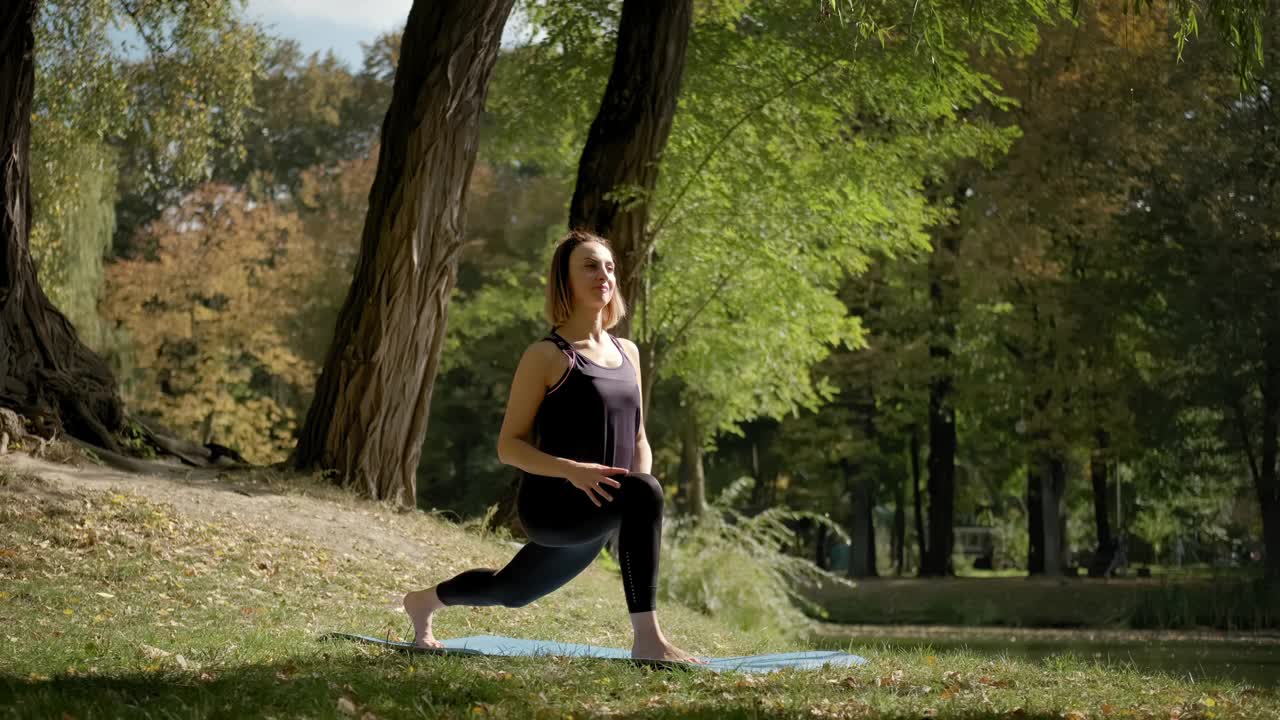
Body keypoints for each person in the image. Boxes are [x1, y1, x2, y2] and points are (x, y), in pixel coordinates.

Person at [403, 229, 704, 664]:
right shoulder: (547, 355)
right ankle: (647, 642)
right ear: (564, 280)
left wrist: (636, 499)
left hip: (602, 506)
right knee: (644, 493)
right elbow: (509, 446)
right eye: (589, 265)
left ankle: (424, 602)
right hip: (554, 506)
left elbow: (638, 438)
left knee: (511, 591)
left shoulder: (629, 353)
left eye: (609, 266)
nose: (604, 274)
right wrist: (574, 471)